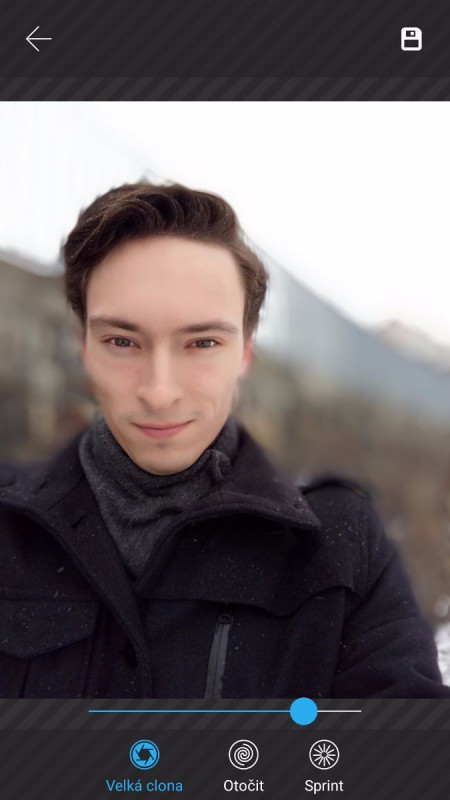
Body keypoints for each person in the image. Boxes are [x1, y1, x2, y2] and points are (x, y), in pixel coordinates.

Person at [0, 182, 448, 699]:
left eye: (202, 342)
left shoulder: (343, 546)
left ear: (245, 353)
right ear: (84, 347)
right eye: (122, 341)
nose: (160, 392)